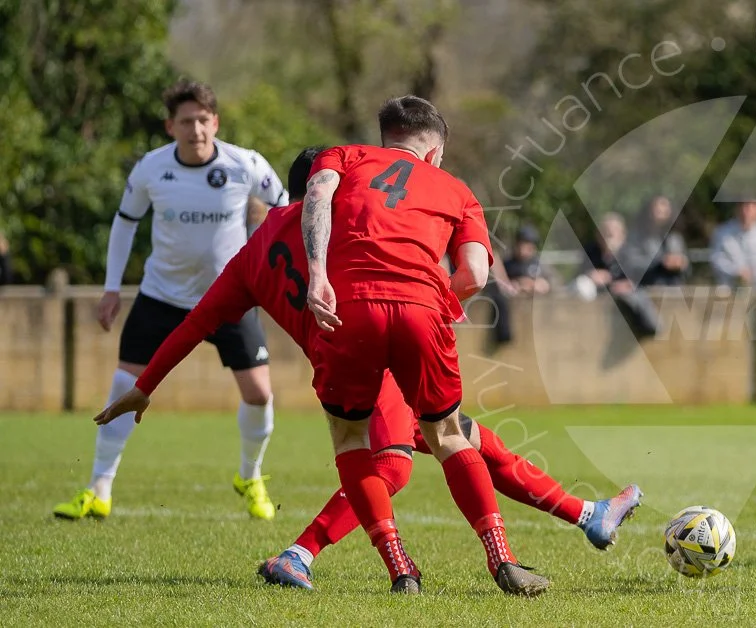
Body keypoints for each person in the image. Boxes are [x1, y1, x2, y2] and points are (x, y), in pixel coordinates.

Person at [92, 147, 640, 592]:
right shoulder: (341, 223)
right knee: (413, 456)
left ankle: (588, 514)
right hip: (379, 350)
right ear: (327, 189)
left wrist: (145, 387)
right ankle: (302, 553)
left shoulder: (249, 253)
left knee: (466, 436)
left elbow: (194, 324)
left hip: (340, 361)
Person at [298, 96, 542, 595]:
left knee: (351, 439)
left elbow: (317, 197)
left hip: (351, 306)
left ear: (386, 135)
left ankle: (399, 567)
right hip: (422, 311)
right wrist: (435, 302)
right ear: (434, 152)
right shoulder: (456, 189)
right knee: (449, 434)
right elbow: (474, 272)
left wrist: (318, 275)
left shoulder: (342, 156)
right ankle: (502, 557)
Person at [54, 81, 286, 522]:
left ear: (215, 122)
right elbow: (125, 224)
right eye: (186, 120)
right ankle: (98, 488)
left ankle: (250, 475)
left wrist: (272, 272)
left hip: (227, 299)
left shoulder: (246, 164)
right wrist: (110, 288)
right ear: (170, 126)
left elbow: (286, 209)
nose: (196, 128)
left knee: (259, 393)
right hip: (161, 296)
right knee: (125, 387)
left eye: (203, 119)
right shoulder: (150, 169)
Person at [623, 195, 689, 287]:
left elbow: (687, 270)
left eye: (665, 208)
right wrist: (660, 263)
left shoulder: (675, 238)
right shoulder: (637, 237)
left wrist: (681, 263)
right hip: (647, 290)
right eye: (657, 208)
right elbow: (631, 265)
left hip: (674, 291)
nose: (661, 211)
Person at [504, 225, 551, 295]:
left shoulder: (540, 264)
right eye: (521, 244)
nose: (523, 249)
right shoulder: (507, 265)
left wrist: (542, 284)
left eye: (528, 246)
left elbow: (555, 284)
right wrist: (517, 283)